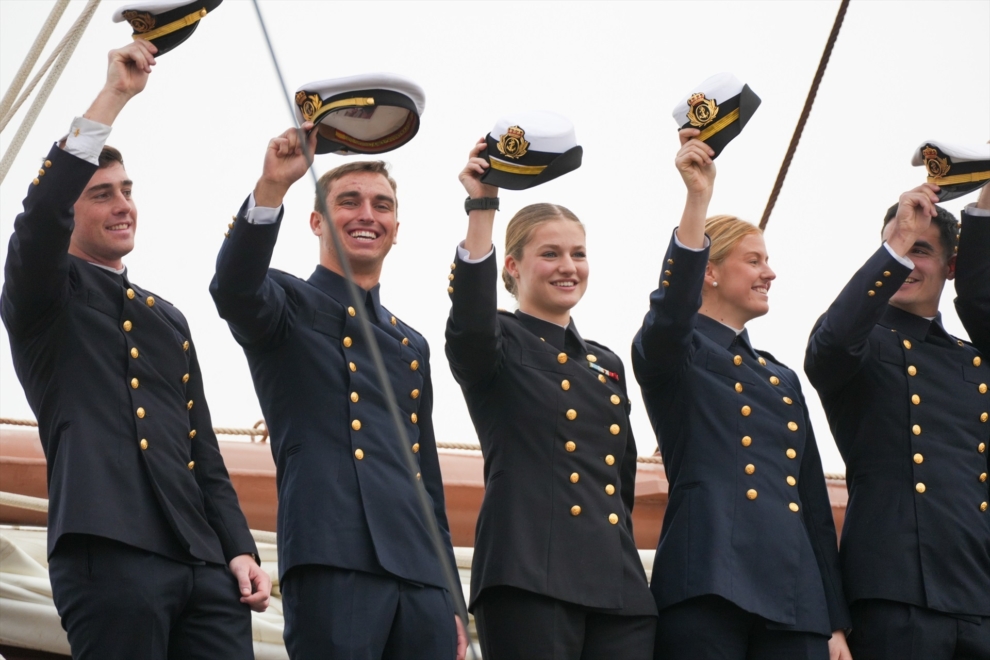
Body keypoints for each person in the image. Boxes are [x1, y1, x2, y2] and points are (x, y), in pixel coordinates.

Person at [0, 41, 268, 659]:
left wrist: (238, 546)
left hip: (204, 563)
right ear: (71, 214)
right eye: (101, 194)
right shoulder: (46, 299)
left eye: (127, 190)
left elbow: (202, 450)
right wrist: (114, 96)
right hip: (109, 549)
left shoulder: (166, 320)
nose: (123, 205)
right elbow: (39, 215)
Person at [210, 124, 467, 660]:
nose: (366, 215)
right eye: (348, 202)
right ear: (317, 221)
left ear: (397, 227)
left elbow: (428, 481)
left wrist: (452, 600)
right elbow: (233, 287)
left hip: (420, 574)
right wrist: (272, 186)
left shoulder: (410, 343)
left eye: (382, 205)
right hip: (334, 555)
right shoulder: (285, 301)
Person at [631, 128, 852, 660]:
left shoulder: (782, 379)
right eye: (753, 260)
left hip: (795, 597)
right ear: (708, 272)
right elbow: (669, 313)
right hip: (708, 581)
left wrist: (835, 623)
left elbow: (813, 510)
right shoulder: (674, 353)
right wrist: (697, 199)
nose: (769, 272)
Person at [445, 139, 658, 659]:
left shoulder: (605, 363)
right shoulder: (495, 340)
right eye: (550, 253)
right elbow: (470, 320)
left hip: (617, 585)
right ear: (513, 267)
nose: (569, 266)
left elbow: (619, 482)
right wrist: (482, 209)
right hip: (529, 576)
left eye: (578, 253)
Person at [804, 180, 990, 659]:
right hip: (895, 594)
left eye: (921, 250)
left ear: (952, 267)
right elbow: (832, 343)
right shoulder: (863, 344)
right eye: (898, 246)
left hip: (978, 591)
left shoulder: (974, 361)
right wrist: (898, 244)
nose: (907, 261)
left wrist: (984, 210)